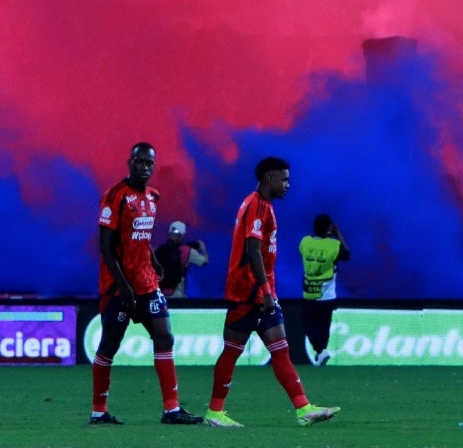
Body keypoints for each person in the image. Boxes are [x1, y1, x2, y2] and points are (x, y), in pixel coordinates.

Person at [204, 157, 338, 429]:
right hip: (248, 292)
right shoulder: (255, 206)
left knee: (280, 350)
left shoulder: (264, 206)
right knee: (232, 351)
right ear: (269, 179)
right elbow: (253, 251)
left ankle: (303, 408)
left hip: (263, 293)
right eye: (284, 179)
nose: (288, 184)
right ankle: (214, 412)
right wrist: (264, 290)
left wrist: (268, 291)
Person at [90, 143, 204, 426]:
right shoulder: (115, 196)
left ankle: (172, 409)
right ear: (130, 162)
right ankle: (98, 411)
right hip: (119, 287)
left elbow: (140, 236)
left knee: (164, 336)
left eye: (149, 163)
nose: (145, 167)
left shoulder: (153, 197)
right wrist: (122, 284)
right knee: (109, 345)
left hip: (146, 282)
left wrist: (152, 259)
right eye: (140, 162)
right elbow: (105, 245)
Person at [299, 214, 351, 365]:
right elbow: (347, 255)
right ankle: (322, 351)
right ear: (329, 228)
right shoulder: (334, 245)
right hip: (327, 295)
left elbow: (301, 252)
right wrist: (338, 233)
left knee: (308, 323)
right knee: (323, 325)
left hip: (309, 292)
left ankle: (321, 351)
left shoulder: (305, 241)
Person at [154, 221, 208, 298]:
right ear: (183, 235)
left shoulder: (158, 250)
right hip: (177, 295)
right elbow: (204, 262)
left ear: (169, 233)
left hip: (158, 294)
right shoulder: (187, 251)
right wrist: (203, 249)